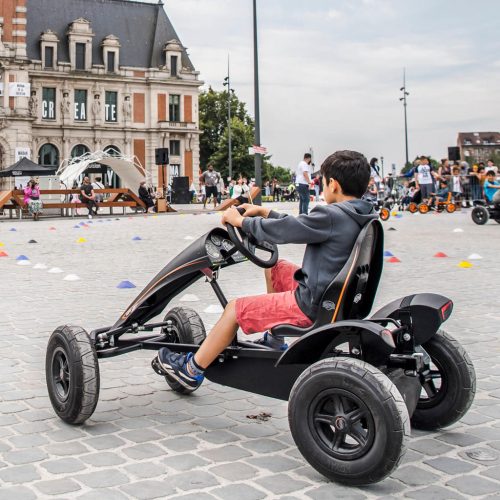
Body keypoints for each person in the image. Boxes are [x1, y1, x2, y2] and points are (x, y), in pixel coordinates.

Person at [153, 150, 377, 391]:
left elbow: (289, 231)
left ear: (333, 184)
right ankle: (274, 339)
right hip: (334, 297)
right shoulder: (360, 213)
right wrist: (266, 212)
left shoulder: (331, 215)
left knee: (234, 310)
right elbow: (303, 226)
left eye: (322, 182)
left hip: (311, 304)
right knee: (275, 267)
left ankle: (191, 370)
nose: (321, 187)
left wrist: (242, 222)